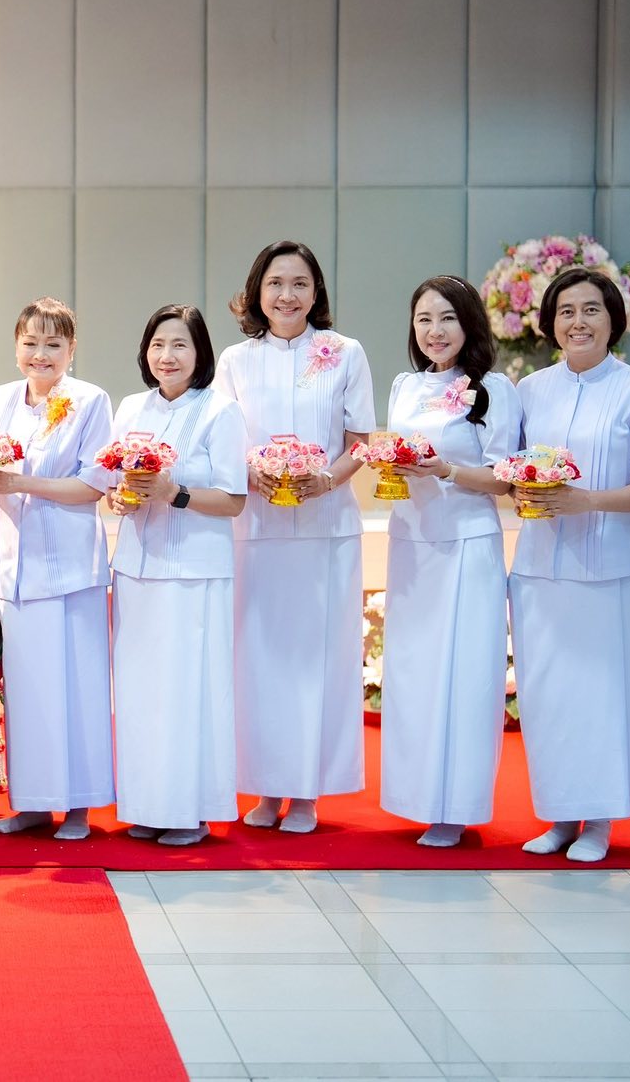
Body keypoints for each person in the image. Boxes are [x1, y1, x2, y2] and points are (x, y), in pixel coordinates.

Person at [508, 267, 630, 863]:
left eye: (591, 311)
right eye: (567, 312)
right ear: (550, 323)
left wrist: (588, 501)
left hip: (609, 567)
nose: (578, 323)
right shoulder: (530, 390)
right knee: (547, 694)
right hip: (539, 566)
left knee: (604, 694)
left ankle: (601, 820)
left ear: (613, 320)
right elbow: (514, 471)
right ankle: (558, 813)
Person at [213, 241, 374, 834]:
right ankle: (265, 787)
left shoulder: (344, 353)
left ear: (317, 292)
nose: (287, 294)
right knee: (258, 660)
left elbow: (360, 440)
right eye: (276, 282)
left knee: (318, 660)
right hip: (254, 528)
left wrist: (327, 478)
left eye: (300, 283)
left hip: (325, 530)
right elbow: (222, 437)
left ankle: (306, 792)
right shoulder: (234, 360)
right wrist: (249, 471)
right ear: (257, 290)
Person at [0, 297, 116, 840]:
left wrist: (19, 483)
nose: (40, 354)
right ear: (16, 347)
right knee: (27, 690)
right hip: (14, 568)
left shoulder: (91, 401)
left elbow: (93, 486)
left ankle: (78, 806)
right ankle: (32, 801)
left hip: (71, 566)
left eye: (53, 343)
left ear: (72, 350)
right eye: (30, 342)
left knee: (77, 689)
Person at [380, 277, 518, 847]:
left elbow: (507, 477)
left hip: (467, 544)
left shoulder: (495, 388)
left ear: (469, 324)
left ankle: (456, 806)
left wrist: (447, 471)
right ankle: (415, 797)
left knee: (463, 674)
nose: (434, 331)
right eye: (423, 320)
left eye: (446, 319)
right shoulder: (404, 386)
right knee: (413, 673)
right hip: (412, 543)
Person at [106, 304, 247, 847]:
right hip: (138, 567)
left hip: (194, 571)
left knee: (189, 691)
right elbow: (117, 482)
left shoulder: (221, 411)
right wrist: (122, 497)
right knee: (140, 692)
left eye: (180, 345)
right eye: (158, 344)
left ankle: (190, 810)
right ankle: (147, 805)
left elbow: (235, 500)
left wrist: (176, 493)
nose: (167, 356)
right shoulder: (130, 408)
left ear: (200, 353)